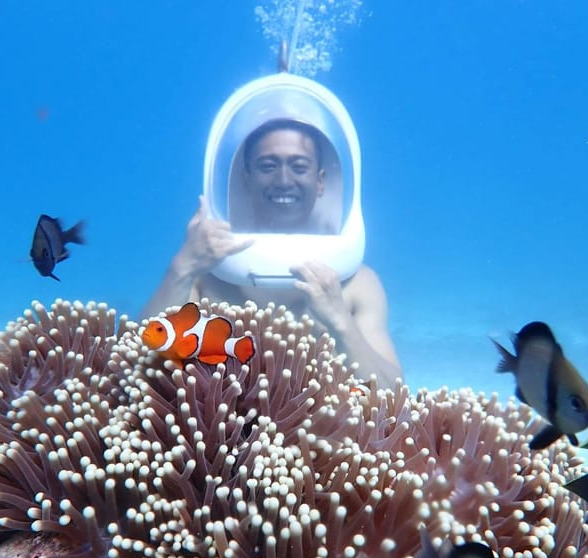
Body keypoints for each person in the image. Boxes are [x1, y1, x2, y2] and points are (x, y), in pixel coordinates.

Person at [141, 119, 403, 383]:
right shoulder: (205, 274)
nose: (283, 180)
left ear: (320, 181)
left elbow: (394, 394)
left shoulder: (359, 284)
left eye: (299, 167)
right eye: (268, 166)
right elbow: (133, 362)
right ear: (246, 177)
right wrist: (183, 266)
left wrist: (340, 322)